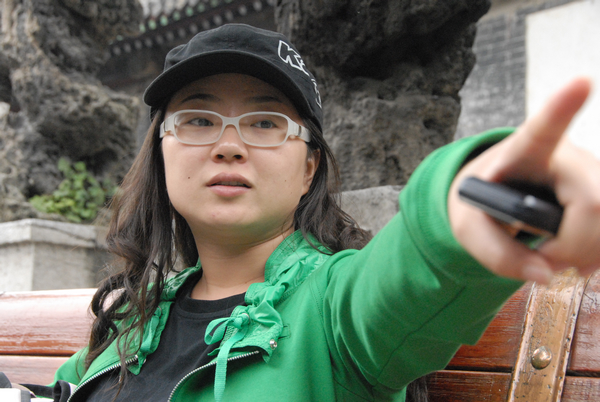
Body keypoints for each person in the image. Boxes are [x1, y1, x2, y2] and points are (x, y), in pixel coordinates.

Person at [48, 24, 599, 401]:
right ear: (161, 152)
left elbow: (411, 268)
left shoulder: (339, 310)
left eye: (266, 123)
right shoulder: (133, 320)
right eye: (198, 120)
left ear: (309, 169)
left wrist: (472, 194)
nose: (229, 146)